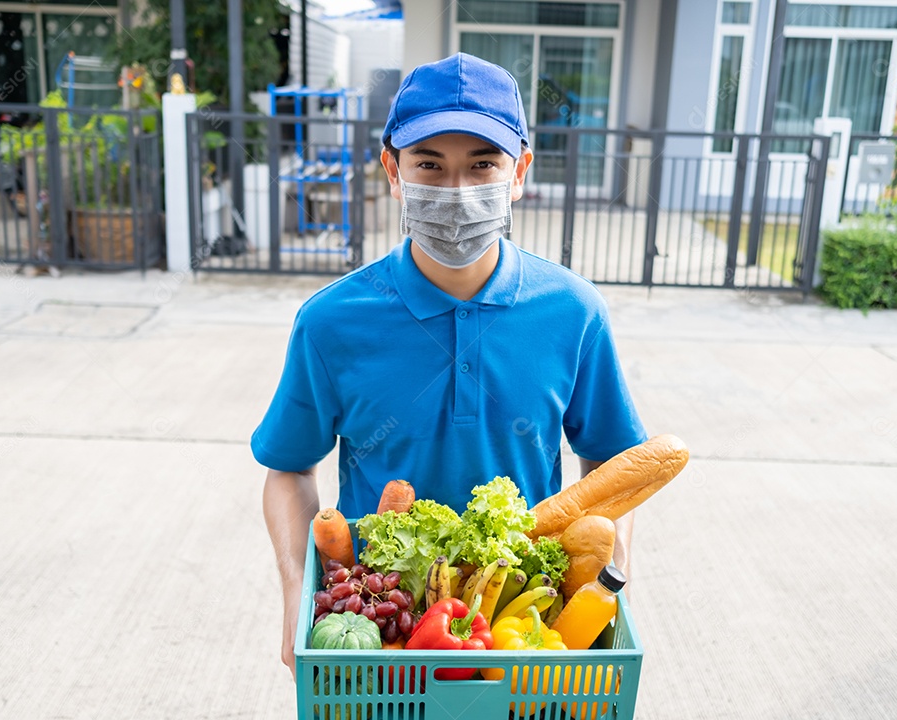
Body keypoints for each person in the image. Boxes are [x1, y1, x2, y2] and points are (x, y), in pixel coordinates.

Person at [253, 52, 648, 677]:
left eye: (482, 165)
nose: (457, 192)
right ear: (392, 169)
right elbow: (288, 469)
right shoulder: (332, 322)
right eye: (430, 166)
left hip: (524, 628)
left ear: (518, 171)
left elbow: (613, 464)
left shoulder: (573, 312)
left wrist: (602, 575)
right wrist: (294, 597)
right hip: (381, 631)